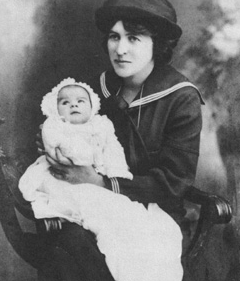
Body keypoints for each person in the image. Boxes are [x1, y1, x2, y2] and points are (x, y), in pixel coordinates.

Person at [37, 0, 204, 281]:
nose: (120, 49)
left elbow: (174, 183)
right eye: (114, 37)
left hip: (155, 210)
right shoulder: (95, 89)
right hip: (90, 201)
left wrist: (100, 181)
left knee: (91, 249)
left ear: (158, 45)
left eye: (134, 38)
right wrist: (55, 142)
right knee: (62, 240)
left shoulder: (181, 99)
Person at [20, 77, 183, 281]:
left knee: (139, 221)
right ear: (55, 109)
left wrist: (117, 173)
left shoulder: (101, 126)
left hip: (99, 180)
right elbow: (66, 154)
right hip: (68, 181)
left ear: (92, 106)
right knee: (97, 216)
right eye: (65, 102)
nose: (74, 105)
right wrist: (88, 154)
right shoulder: (54, 127)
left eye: (81, 101)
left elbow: (114, 151)